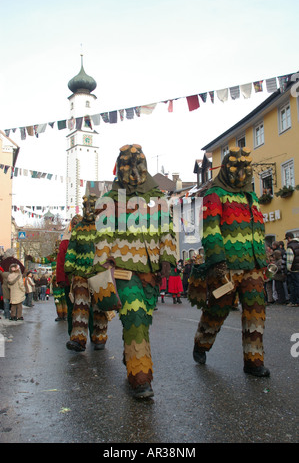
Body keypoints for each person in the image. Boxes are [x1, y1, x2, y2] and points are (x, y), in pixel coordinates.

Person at [93, 144, 177, 399]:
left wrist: (168, 258)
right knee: (135, 314)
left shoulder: (157, 198)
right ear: (119, 168)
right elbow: (103, 235)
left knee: (143, 318)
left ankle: (131, 355)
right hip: (123, 269)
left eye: (136, 164)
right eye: (126, 165)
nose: (131, 171)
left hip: (151, 272)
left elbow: (168, 230)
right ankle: (140, 378)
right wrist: (103, 263)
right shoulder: (109, 199)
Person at [189, 147, 270, 377]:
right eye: (236, 169)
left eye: (245, 169)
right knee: (218, 308)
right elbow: (211, 229)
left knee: (256, 311)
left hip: (252, 266)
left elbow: (258, 232)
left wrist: (262, 262)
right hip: (227, 266)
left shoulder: (251, 197)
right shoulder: (214, 194)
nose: (241, 175)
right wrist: (218, 262)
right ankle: (202, 342)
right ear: (225, 168)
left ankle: (253, 361)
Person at [64, 195, 109, 351]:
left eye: (92, 206)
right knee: (80, 305)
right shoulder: (77, 229)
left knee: (99, 307)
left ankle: (99, 338)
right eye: (86, 207)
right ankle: (78, 339)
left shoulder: (104, 226)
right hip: (81, 273)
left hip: (100, 274)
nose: (88, 210)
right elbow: (71, 250)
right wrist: (69, 269)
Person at [285, 232, 299, 307]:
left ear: (289, 238)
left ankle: (295, 301)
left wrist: (288, 269)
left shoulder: (290, 247)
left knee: (294, 285)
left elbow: (289, 260)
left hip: (294, 269)